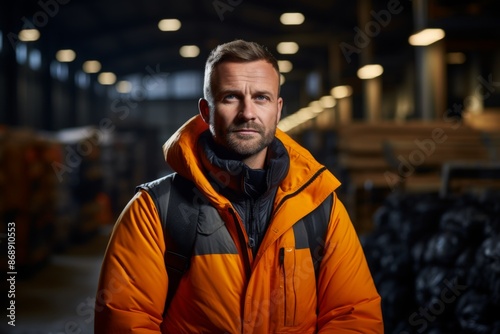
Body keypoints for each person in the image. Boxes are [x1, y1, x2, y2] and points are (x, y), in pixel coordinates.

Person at [95, 39, 383, 333]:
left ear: (278, 109)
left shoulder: (320, 206)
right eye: (231, 97)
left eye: (261, 98)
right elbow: (125, 320)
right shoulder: (155, 210)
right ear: (206, 111)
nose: (248, 112)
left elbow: (354, 315)